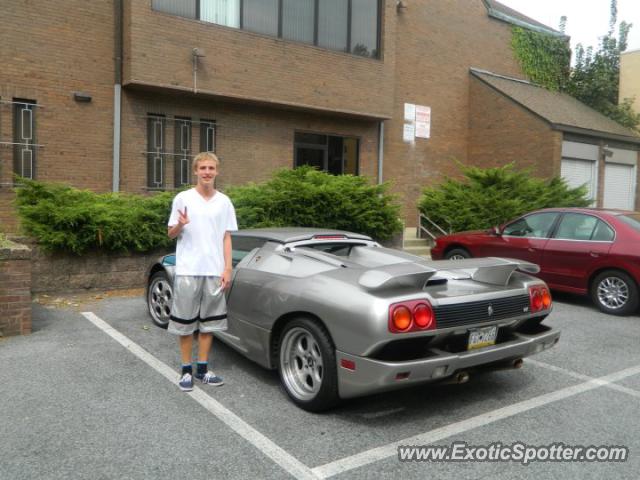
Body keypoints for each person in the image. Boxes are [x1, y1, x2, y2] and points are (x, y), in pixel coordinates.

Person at [167, 151, 238, 392]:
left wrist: (227, 268)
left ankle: (203, 368)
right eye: (203, 168)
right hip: (188, 270)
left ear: (216, 171)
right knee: (185, 323)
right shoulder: (183, 198)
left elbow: (226, 236)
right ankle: (186, 370)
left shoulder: (224, 201)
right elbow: (170, 234)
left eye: (211, 168)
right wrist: (180, 224)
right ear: (195, 171)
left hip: (214, 271)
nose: (207, 172)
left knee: (209, 324)